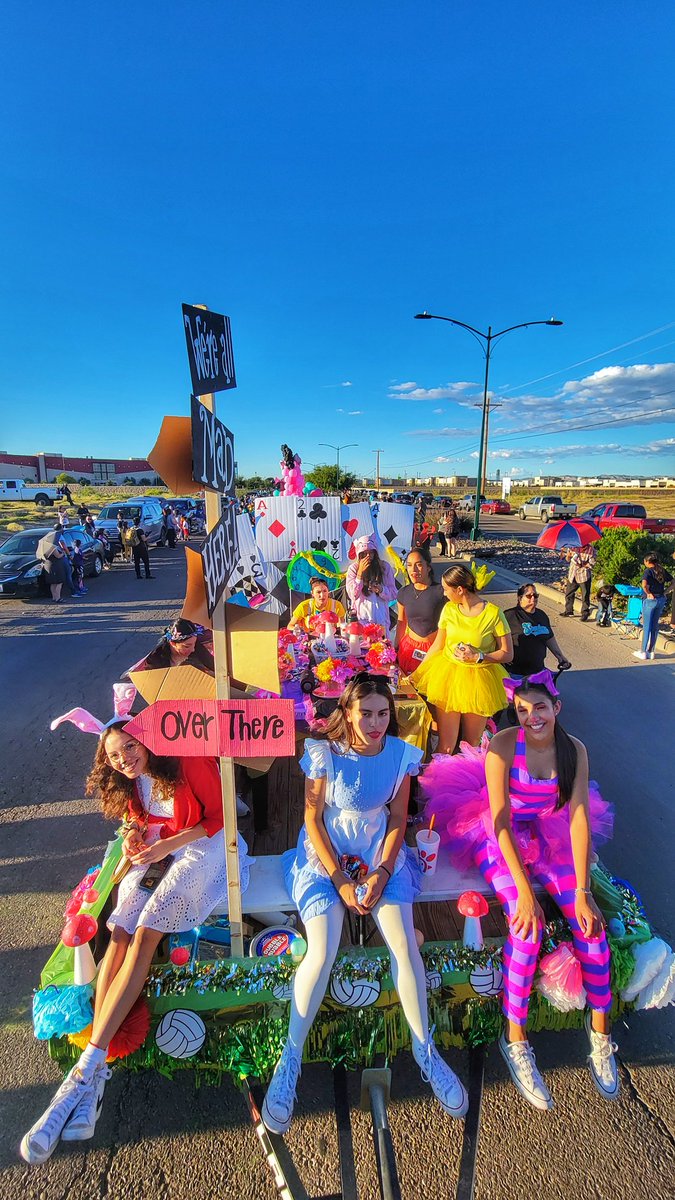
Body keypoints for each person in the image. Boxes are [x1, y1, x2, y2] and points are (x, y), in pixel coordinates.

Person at [20, 712, 250, 1165]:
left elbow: (221, 818)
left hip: (203, 847)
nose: (124, 759)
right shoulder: (134, 782)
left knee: (146, 931)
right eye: (113, 754)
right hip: (157, 847)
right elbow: (137, 818)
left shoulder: (186, 760)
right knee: (120, 929)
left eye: (129, 746)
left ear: (146, 740)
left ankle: (84, 1073)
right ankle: (95, 1070)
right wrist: (131, 837)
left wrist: (165, 845)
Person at [262, 675, 468, 1135]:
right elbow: (312, 819)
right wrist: (338, 878)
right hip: (325, 856)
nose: (375, 723)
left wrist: (382, 870)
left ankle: (425, 1051)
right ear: (349, 713)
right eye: (366, 713)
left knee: (403, 943)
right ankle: (289, 1061)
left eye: (382, 713)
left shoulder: (400, 755)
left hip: (378, 854)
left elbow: (398, 819)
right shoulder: (325, 753)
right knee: (322, 948)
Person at [421, 670, 618, 1110]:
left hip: (550, 831)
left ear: (557, 708)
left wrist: (583, 891)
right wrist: (524, 894)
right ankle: (516, 1039)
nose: (532, 717)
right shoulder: (504, 746)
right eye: (523, 709)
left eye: (540, 707)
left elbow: (580, 816)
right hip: (499, 835)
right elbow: (501, 821)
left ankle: (601, 1035)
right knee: (525, 927)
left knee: (589, 928)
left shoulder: (574, 751)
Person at [411, 565, 513, 751]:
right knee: (446, 745)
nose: (444, 593)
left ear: (460, 589)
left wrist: (479, 656)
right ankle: (439, 779)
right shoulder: (449, 610)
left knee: (470, 745)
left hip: (479, 683)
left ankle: (467, 780)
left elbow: (507, 654)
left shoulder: (493, 614)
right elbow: (438, 646)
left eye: (446, 589)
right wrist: (416, 674)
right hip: (448, 679)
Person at [394, 546, 445, 676]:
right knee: (407, 688)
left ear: (428, 567)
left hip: (433, 650)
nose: (413, 570)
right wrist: (395, 648)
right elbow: (401, 621)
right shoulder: (404, 592)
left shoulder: (441, 592)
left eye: (418, 565)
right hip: (408, 649)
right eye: (409, 565)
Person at [504, 584, 571, 677]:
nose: (533, 598)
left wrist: (560, 657)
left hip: (537, 671)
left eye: (535, 595)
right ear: (520, 598)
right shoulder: (509, 616)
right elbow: (497, 639)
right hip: (514, 672)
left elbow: (548, 638)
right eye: (528, 596)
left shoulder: (541, 615)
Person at [345, 534, 397, 629]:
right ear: (359, 554)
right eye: (364, 553)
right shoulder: (353, 569)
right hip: (361, 622)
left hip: (381, 621)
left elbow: (394, 594)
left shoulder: (384, 567)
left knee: (382, 644)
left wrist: (381, 590)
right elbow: (352, 595)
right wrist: (360, 573)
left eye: (371, 553)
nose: (368, 556)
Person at [634, 553, 673, 661]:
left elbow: (644, 585)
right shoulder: (662, 570)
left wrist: (648, 593)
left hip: (650, 600)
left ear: (647, 561)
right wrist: (666, 591)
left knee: (647, 625)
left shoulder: (648, 571)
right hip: (660, 599)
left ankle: (643, 651)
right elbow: (673, 582)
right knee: (654, 625)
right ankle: (651, 651)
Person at [141, 619, 215, 673]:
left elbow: (214, 667)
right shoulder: (155, 659)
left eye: (194, 643)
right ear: (173, 644)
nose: (193, 649)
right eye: (187, 646)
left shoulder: (198, 649)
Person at [561, 544, 596, 621]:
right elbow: (568, 559)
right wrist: (568, 556)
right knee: (569, 593)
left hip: (583, 575)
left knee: (585, 595)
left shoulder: (590, 550)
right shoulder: (573, 547)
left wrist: (584, 565)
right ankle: (569, 610)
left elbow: (593, 563)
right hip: (573, 574)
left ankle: (585, 613)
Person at [37, 528, 68, 603]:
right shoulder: (52, 547)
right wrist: (63, 552)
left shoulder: (43, 546)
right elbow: (58, 556)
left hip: (47, 565)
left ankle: (54, 597)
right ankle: (58, 598)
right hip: (55, 566)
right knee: (59, 583)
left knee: (53, 583)